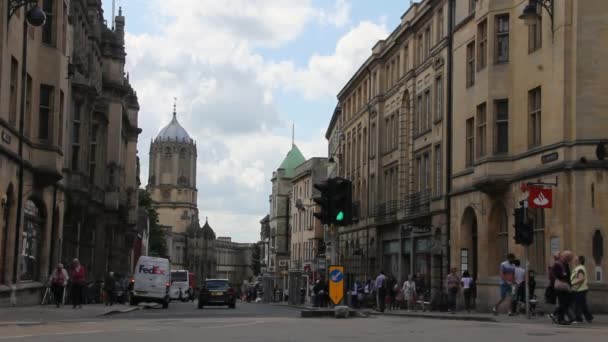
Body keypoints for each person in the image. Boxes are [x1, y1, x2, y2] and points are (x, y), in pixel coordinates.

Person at [549, 251, 573, 325]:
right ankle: (560, 319)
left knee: (566, 303)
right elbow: (556, 275)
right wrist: (564, 275)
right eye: (566, 257)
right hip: (560, 286)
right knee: (563, 303)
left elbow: (568, 275)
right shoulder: (557, 264)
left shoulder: (565, 264)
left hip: (566, 285)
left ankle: (558, 317)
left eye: (568, 258)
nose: (567, 259)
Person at [571, 255, 593, 324]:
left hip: (580, 289)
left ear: (580, 261)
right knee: (582, 304)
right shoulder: (579, 268)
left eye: (576, 259)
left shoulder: (580, 269)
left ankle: (578, 319)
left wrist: (572, 283)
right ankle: (589, 317)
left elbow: (581, 278)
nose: (574, 260)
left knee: (577, 304)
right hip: (580, 289)